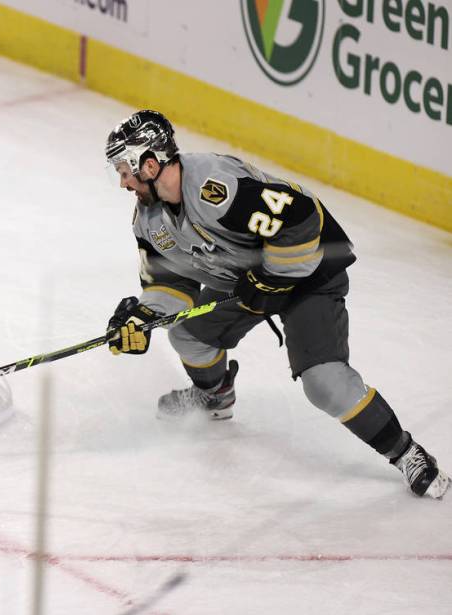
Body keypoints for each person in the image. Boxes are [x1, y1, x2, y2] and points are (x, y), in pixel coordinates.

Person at [103, 109, 449, 500]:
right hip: (248, 282)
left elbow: (302, 218)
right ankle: (215, 395)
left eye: (124, 170)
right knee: (187, 334)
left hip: (308, 275)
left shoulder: (216, 187)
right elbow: (171, 284)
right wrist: (142, 316)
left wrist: (270, 279)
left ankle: (404, 452)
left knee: (324, 384)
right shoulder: (148, 220)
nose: (122, 182)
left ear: (149, 164)